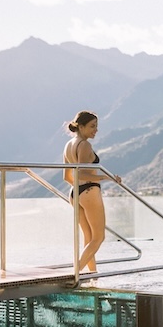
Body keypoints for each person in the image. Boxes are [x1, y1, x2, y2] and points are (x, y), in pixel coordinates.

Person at [63, 110, 121, 273]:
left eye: (96, 126)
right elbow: (81, 172)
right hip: (89, 192)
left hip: (75, 193)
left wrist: (80, 190)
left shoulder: (68, 146)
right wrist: (107, 178)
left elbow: (67, 176)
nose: (95, 130)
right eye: (92, 126)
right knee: (98, 238)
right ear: (80, 127)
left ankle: (92, 275)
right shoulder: (85, 145)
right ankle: (74, 273)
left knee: (89, 239)